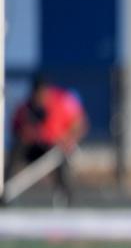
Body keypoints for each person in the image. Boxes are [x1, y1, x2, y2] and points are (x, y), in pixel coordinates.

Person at [9, 74, 89, 205]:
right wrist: (26, 133)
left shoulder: (63, 101)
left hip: (55, 148)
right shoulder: (25, 108)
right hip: (34, 147)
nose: (40, 99)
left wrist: (69, 139)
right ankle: (6, 191)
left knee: (60, 159)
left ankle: (66, 198)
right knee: (16, 151)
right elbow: (16, 129)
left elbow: (80, 123)